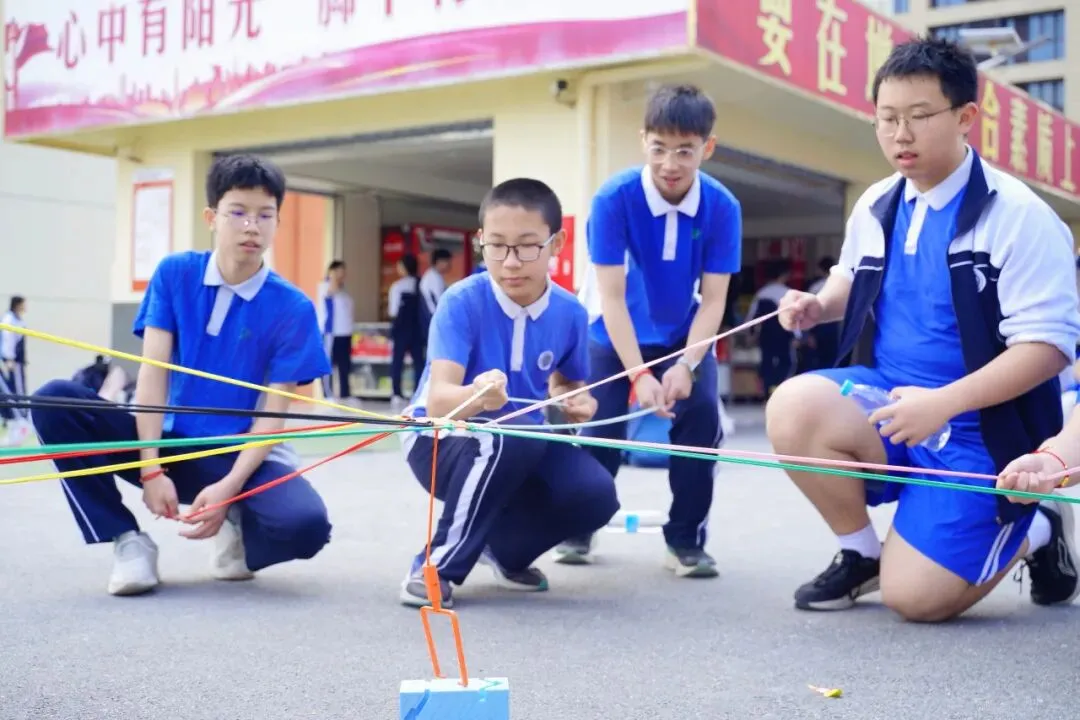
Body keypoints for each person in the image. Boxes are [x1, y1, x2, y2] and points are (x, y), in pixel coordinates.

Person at [766, 37, 1080, 621]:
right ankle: (860, 554)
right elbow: (848, 279)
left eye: (918, 117)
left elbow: (1049, 347)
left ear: (965, 118)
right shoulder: (878, 203)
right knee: (794, 404)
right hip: (892, 405)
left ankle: (1035, 526)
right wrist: (819, 304)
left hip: (981, 434)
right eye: (887, 119)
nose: (899, 135)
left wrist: (943, 404)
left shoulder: (1020, 217)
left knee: (916, 601)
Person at [29, 154, 334, 597]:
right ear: (212, 217)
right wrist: (151, 469)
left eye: (265, 215)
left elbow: (273, 415)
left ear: (277, 222)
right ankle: (127, 541)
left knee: (306, 526)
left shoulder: (293, 307)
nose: (252, 226)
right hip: (164, 444)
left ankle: (239, 525)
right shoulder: (175, 274)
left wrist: (230, 489)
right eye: (238, 212)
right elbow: (152, 375)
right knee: (54, 400)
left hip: (238, 457)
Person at [398, 178, 619, 608]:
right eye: (496, 245)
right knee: (508, 434)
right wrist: (478, 396)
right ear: (480, 240)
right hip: (440, 443)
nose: (511, 262)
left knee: (595, 494)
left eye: (527, 246)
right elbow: (438, 401)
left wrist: (580, 401)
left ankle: (502, 551)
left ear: (557, 243)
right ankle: (436, 567)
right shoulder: (461, 301)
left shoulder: (570, 312)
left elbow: (569, 383)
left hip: (522, 443)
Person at [554, 83, 741, 577]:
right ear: (644, 142)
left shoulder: (722, 207)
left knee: (702, 421)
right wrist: (640, 376)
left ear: (708, 147)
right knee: (601, 428)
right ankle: (580, 525)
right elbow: (611, 298)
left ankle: (684, 540)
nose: (670, 164)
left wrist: (686, 364)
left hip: (683, 333)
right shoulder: (614, 199)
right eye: (659, 148)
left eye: (685, 150)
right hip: (613, 335)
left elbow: (715, 300)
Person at [746, 259, 795, 399]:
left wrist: (750, 334)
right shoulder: (788, 293)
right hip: (784, 334)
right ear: (784, 275)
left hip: (766, 335)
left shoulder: (762, 293)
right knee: (786, 362)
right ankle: (781, 391)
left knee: (766, 362)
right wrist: (798, 336)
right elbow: (794, 315)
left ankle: (767, 392)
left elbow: (751, 317)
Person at [387, 254, 429, 407]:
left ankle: (396, 393)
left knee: (397, 361)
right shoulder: (421, 283)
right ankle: (418, 392)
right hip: (417, 329)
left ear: (404, 267)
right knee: (419, 362)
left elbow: (393, 311)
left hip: (401, 328)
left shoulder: (398, 286)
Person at [316, 260, 356, 403]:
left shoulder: (344, 290)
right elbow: (330, 292)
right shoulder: (325, 286)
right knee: (329, 364)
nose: (342, 274)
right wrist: (332, 276)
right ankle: (328, 394)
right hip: (331, 333)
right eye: (339, 271)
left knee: (345, 364)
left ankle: (346, 393)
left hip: (345, 333)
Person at [1, 295, 30, 446]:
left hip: (17, 361)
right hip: (12, 362)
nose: (26, 306)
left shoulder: (18, 319)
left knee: (18, 391)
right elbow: (7, 339)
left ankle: (20, 423)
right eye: (24, 304)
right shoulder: (9, 320)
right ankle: (19, 423)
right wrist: (9, 358)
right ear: (18, 304)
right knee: (14, 392)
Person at [420, 248, 452, 316]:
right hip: (434, 317)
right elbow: (440, 302)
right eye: (447, 261)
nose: (449, 264)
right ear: (438, 261)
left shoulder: (432, 274)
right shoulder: (434, 278)